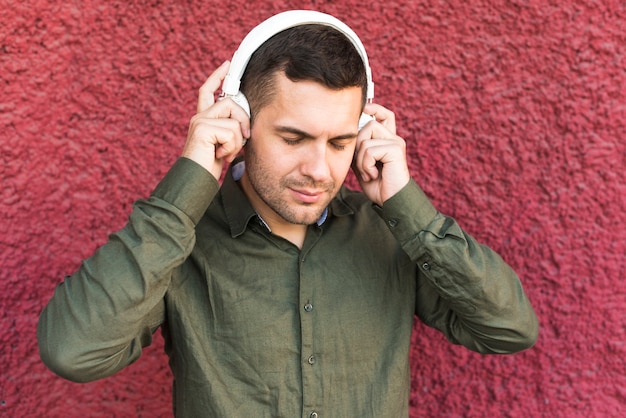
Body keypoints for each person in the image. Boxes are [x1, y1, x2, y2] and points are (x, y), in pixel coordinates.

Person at [38, 10, 538, 417]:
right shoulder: (180, 240)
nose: (320, 169)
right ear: (241, 121)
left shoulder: (390, 233)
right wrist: (193, 176)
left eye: (340, 142)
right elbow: (74, 350)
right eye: (294, 138)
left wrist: (406, 206)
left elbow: (509, 329)